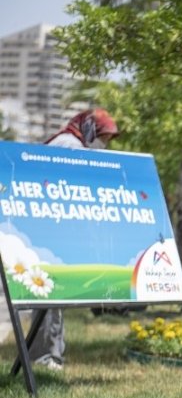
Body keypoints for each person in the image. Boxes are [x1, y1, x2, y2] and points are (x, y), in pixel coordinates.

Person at [29, 108, 119, 371]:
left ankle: (45, 353)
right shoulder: (69, 146)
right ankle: (48, 355)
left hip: (48, 229)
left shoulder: (69, 143)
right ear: (89, 128)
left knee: (49, 294)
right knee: (50, 295)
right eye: (103, 136)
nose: (105, 143)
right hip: (51, 231)